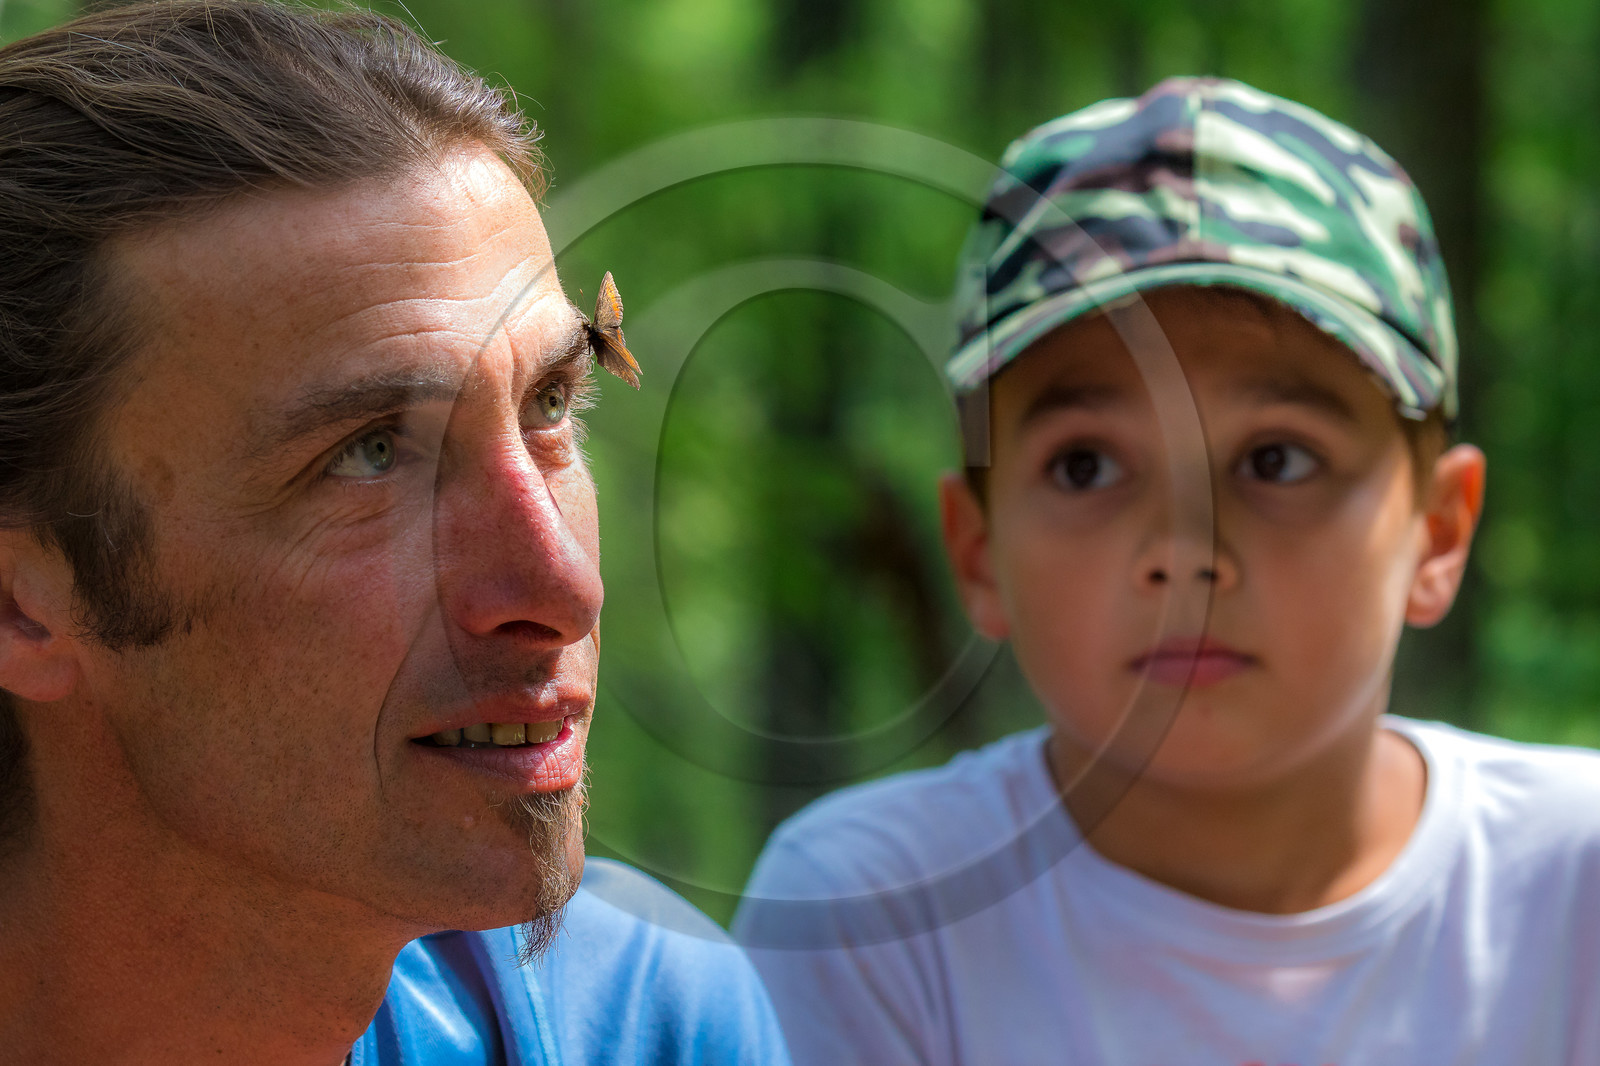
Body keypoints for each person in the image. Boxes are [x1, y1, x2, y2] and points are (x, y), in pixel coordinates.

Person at [734, 77, 1600, 1064]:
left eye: (1277, 458)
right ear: (977, 548)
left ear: (1437, 531)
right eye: (1086, 465)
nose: (1185, 550)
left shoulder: (1574, 886)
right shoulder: (875, 914)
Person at [0, 3, 789, 1063]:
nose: (561, 585)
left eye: (552, 403)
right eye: (369, 453)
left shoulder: (637, 1021)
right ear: (21, 600)